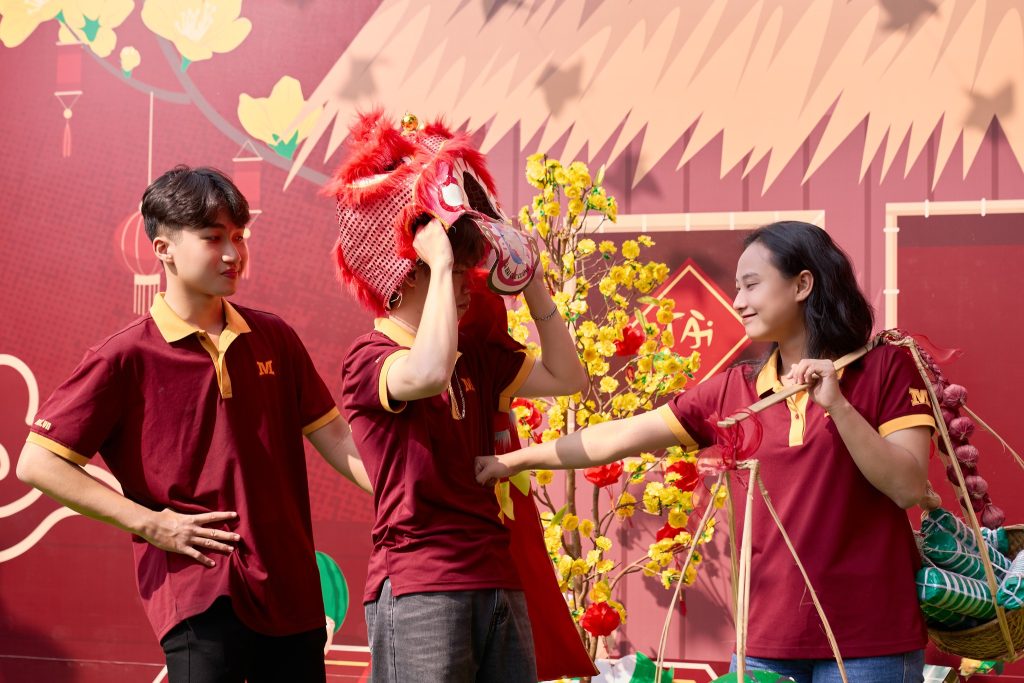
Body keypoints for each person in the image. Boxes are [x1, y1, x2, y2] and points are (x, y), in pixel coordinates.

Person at [475, 221, 938, 683]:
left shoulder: (884, 368)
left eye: (752, 285)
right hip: (764, 646)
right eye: (736, 288)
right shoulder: (735, 390)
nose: (738, 301)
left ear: (802, 285)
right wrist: (513, 461)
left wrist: (837, 406)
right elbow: (614, 438)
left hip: (871, 643)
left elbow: (907, 487)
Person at [17, 165, 370, 683]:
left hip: (292, 592)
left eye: (239, 237)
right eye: (212, 238)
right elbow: (37, 462)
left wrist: (404, 492)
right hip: (199, 592)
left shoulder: (274, 338)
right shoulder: (124, 355)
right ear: (163, 249)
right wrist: (151, 523)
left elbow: (336, 436)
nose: (232, 254)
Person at [329, 111, 588, 682]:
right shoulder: (369, 359)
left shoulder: (476, 354)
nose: (470, 281)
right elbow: (426, 373)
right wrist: (441, 260)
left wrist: (532, 282)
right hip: (421, 584)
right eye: (456, 270)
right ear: (407, 271)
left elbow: (568, 378)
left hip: (497, 577)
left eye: (470, 268)